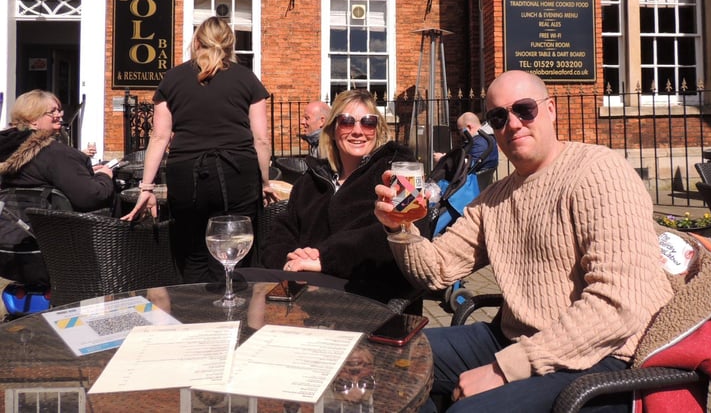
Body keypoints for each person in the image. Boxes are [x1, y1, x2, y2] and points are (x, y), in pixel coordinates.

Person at [374, 70, 673, 412]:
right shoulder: (495, 198)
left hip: (602, 355)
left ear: (551, 110)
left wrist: (504, 369)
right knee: (390, 355)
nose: (512, 124)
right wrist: (399, 229)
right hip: (513, 338)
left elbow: (618, 307)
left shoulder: (599, 172)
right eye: (498, 117)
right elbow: (436, 270)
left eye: (524, 109)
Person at [122, 16, 277, 283]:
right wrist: (264, 181)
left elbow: (159, 137)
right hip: (237, 173)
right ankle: (230, 316)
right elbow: (261, 139)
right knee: (232, 254)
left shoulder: (172, 79)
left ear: (195, 42)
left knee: (192, 254)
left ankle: (193, 318)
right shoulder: (247, 79)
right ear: (231, 45)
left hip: (185, 175)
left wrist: (146, 188)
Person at [261, 89, 422, 304]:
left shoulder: (397, 173)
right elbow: (281, 231)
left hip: (361, 291)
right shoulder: (311, 179)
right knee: (240, 280)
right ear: (333, 129)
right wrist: (290, 260)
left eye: (368, 122)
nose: (357, 131)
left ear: (378, 129)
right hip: (299, 283)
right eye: (347, 121)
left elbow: (408, 234)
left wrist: (324, 258)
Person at [0, 89, 115, 210]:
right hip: (58, 226)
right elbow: (92, 197)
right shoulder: (54, 153)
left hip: (16, 224)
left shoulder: (7, 148)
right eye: (52, 112)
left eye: (59, 110)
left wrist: (83, 173)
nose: (59, 115)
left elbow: (41, 177)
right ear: (33, 120)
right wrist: (104, 176)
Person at [433, 112, 498, 172]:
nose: (460, 134)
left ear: (469, 127)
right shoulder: (484, 139)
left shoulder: (481, 142)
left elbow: (468, 165)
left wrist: (443, 159)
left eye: (460, 130)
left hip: (472, 181)